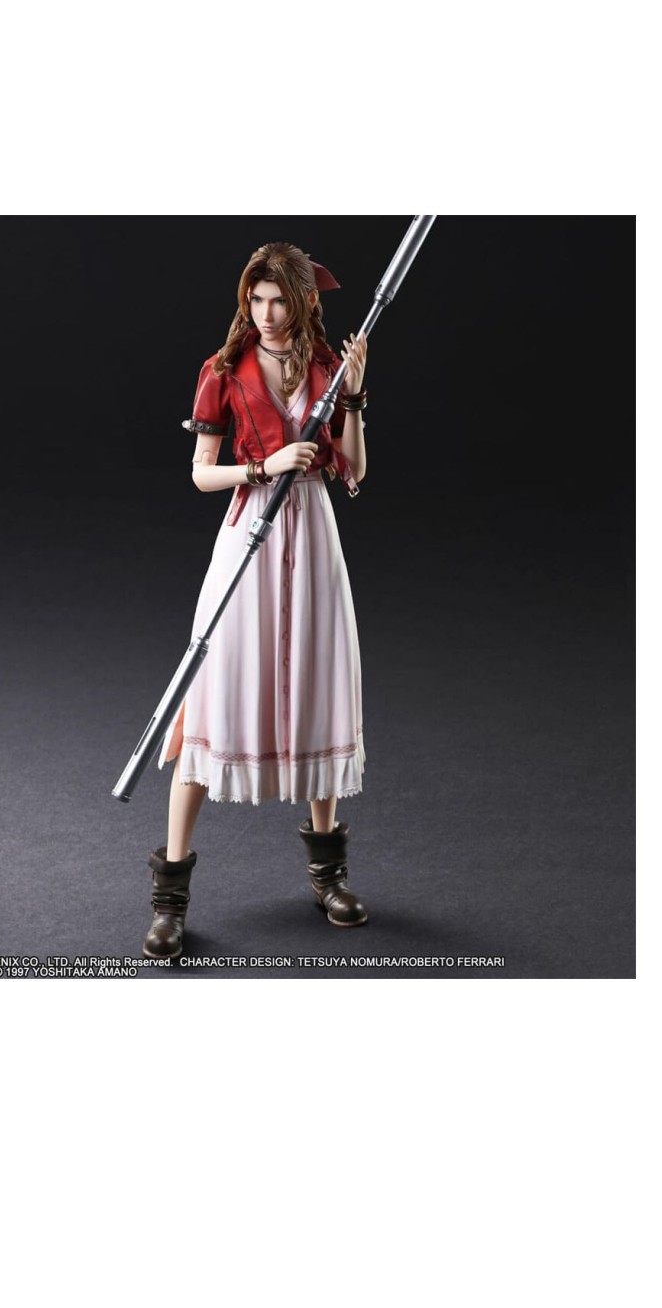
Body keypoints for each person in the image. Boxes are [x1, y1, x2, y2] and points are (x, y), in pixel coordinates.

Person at [143, 242, 370, 959]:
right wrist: (262, 466)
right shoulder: (222, 371)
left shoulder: (327, 366)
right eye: (257, 299)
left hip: (313, 535)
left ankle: (328, 876)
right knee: (212, 697)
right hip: (249, 536)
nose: (267, 314)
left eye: (280, 301)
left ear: (303, 303)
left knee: (317, 690)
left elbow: (354, 469)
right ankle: (169, 897)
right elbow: (200, 474)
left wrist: (354, 397)